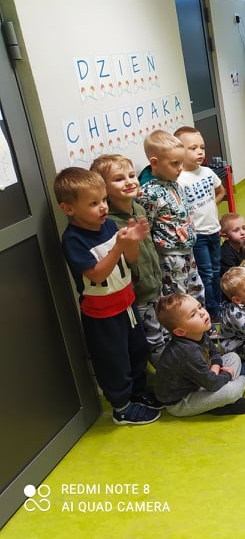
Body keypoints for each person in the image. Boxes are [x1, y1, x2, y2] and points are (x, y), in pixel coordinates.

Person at [54, 167, 161, 425]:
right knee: (114, 360)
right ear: (68, 209)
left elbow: (130, 259)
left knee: (137, 350)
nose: (103, 206)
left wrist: (132, 243)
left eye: (103, 200)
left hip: (127, 303)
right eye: (93, 203)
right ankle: (121, 407)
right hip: (102, 314)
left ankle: (137, 392)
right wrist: (119, 246)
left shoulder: (110, 225)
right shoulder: (73, 240)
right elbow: (96, 275)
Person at [91, 154, 166, 367]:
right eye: (119, 179)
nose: (129, 181)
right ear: (103, 189)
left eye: (132, 175)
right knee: (154, 341)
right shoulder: (109, 223)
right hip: (139, 293)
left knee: (166, 330)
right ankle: (168, 377)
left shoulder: (139, 209)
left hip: (156, 284)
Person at [136, 129, 205, 309]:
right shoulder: (148, 193)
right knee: (179, 301)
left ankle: (199, 322)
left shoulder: (173, 182)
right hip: (170, 257)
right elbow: (146, 230)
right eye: (175, 163)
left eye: (181, 162)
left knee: (196, 291)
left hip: (187, 251)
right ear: (154, 162)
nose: (180, 168)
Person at [154, 293, 245, 416]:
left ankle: (216, 404)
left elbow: (214, 352)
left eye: (199, 307)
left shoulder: (198, 332)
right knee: (232, 392)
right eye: (193, 315)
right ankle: (243, 376)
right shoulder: (186, 352)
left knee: (233, 357)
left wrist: (215, 370)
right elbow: (212, 384)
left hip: (203, 381)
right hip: (182, 402)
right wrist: (227, 375)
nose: (202, 313)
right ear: (180, 331)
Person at [174, 126, 225, 326]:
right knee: (207, 273)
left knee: (217, 269)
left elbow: (220, 191)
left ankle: (220, 304)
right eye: (193, 148)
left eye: (202, 147)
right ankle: (212, 311)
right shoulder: (179, 179)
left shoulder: (207, 172)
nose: (200, 152)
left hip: (214, 230)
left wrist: (210, 206)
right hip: (198, 236)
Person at [219, 212, 245, 277]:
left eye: (244, 228)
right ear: (225, 236)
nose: (242, 233)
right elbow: (232, 277)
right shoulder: (225, 254)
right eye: (236, 230)